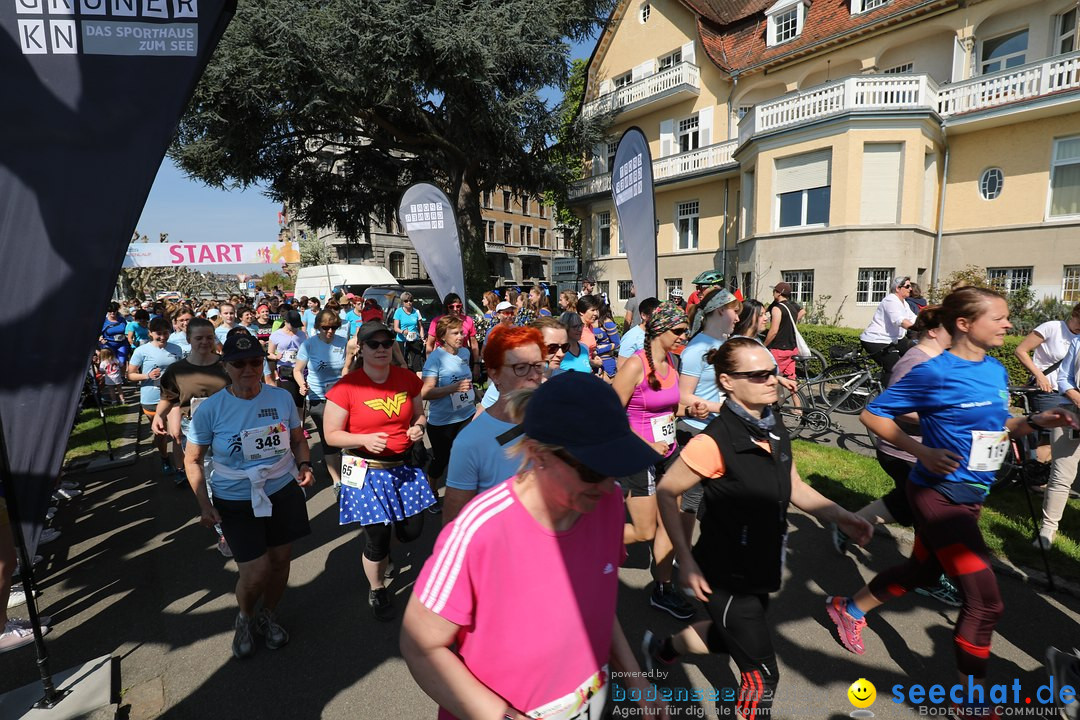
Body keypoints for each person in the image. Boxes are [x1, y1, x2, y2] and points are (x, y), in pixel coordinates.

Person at [826, 288, 1078, 715]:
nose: (1008, 325)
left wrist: (1034, 421)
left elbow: (1000, 424)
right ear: (965, 324)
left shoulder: (995, 371)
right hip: (936, 495)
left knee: (921, 570)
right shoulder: (934, 371)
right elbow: (873, 415)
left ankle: (847, 608)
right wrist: (922, 451)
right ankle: (970, 702)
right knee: (985, 602)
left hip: (972, 494)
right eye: (998, 317)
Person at [401, 372, 669, 720]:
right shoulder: (480, 529)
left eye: (614, 468)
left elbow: (598, 603)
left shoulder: (608, 502)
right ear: (537, 453)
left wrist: (637, 683)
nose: (606, 486)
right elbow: (420, 646)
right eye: (592, 471)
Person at [645, 337, 873, 718]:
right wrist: (684, 558)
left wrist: (843, 516)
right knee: (762, 676)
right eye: (759, 375)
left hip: (761, 564)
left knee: (725, 637)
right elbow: (667, 492)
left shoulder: (773, 422)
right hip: (725, 572)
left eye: (772, 371)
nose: (773, 380)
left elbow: (794, 486)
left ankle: (662, 649)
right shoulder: (713, 441)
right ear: (728, 382)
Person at [184, 332, 315, 660]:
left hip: (282, 490)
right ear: (225, 365)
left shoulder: (281, 398)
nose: (249, 369)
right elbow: (193, 459)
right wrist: (204, 504)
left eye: (255, 361)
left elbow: (298, 438)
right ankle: (245, 616)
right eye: (239, 363)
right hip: (236, 499)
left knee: (281, 560)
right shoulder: (211, 410)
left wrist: (305, 464)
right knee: (255, 571)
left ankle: (269, 614)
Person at [831, 307, 962, 606]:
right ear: (932, 330)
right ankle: (928, 577)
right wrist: (938, 416)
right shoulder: (914, 361)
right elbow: (894, 405)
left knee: (906, 504)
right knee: (928, 514)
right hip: (902, 451)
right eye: (950, 328)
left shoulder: (939, 359)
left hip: (924, 451)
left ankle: (848, 525)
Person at [322, 321, 436, 620]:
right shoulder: (346, 387)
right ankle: (377, 587)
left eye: (388, 343)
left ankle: (384, 552)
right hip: (366, 470)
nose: (382, 348)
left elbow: (420, 414)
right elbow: (331, 435)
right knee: (377, 538)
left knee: (412, 532)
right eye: (374, 344)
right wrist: (362, 439)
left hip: (404, 466)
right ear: (361, 347)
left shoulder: (407, 378)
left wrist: (417, 428)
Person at [612, 302, 706, 621]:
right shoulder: (636, 366)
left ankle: (663, 588)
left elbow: (667, 408)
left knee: (671, 520)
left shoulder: (672, 362)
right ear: (660, 331)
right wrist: (646, 444)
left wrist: (689, 411)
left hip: (667, 452)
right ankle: (582, 540)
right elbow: (610, 414)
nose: (685, 335)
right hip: (639, 454)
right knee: (643, 531)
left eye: (686, 330)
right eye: (679, 331)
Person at [442, 325, 547, 524]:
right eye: (521, 367)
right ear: (494, 374)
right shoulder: (470, 441)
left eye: (538, 365)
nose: (534, 375)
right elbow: (454, 525)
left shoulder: (558, 421)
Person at [154, 317, 232, 551]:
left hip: (229, 429)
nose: (205, 342)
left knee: (233, 478)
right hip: (196, 430)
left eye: (209, 337)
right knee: (208, 480)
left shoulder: (226, 364)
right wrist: (159, 416)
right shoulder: (177, 370)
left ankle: (244, 523)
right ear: (188, 339)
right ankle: (224, 532)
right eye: (199, 338)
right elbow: (168, 398)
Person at [677, 289, 743, 535]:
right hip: (698, 432)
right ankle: (680, 557)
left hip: (722, 429)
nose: (737, 318)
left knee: (719, 500)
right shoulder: (697, 349)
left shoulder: (724, 344)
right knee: (692, 501)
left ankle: (711, 552)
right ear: (719, 311)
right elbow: (683, 396)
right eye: (734, 312)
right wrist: (725, 407)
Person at [1014, 303, 1080, 464]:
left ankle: (1040, 473)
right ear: (1075, 314)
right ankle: (1036, 478)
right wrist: (1039, 375)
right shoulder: (1053, 327)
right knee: (1049, 437)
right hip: (1047, 390)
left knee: (1063, 439)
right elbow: (1021, 350)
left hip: (1068, 394)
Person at [421, 315, 476, 509]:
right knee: (441, 460)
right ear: (443, 336)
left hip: (467, 415)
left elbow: (466, 383)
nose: (461, 336)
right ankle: (431, 491)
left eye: (462, 332)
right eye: (455, 333)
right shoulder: (435, 359)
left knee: (466, 457)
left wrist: (476, 393)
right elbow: (425, 392)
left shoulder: (465, 353)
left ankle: (464, 495)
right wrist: (453, 388)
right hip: (442, 421)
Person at [295, 309, 349, 493]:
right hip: (318, 398)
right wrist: (302, 384)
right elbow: (297, 370)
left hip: (342, 397)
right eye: (326, 327)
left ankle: (345, 469)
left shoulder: (343, 343)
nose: (330, 331)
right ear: (318, 326)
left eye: (334, 327)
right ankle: (337, 480)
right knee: (329, 439)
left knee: (346, 435)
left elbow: (350, 367)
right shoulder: (309, 344)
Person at [129, 318, 184, 475]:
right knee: (161, 434)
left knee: (176, 433)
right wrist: (147, 375)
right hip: (152, 398)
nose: (162, 336)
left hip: (173, 397)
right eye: (158, 333)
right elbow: (130, 375)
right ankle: (164, 457)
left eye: (165, 333)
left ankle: (180, 468)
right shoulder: (141, 351)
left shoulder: (176, 348)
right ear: (150, 333)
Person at [1044, 323, 1080, 548]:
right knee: (1061, 474)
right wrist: (1076, 398)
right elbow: (1063, 378)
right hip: (1072, 411)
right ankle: (1048, 528)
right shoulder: (1078, 342)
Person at [858, 275, 916, 385]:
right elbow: (899, 320)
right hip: (877, 340)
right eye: (908, 286)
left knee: (915, 353)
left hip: (894, 339)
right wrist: (916, 328)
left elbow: (913, 318)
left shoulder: (904, 303)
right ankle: (885, 396)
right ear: (898, 288)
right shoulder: (890, 301)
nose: (911, 289)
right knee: (893, 367)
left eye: (911, 286)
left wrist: (929, 324)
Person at [268, 310, 307, 418]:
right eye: (293, 325)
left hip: (300, 368)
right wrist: (275, 356)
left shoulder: (302, 334)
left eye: (296, 325)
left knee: (300, 400)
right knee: (290, 398)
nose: (295, 328)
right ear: (285, 322)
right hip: (285, 369)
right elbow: (269, 353)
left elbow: (308, 350)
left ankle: (300, 427)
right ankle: (289, 425)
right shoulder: (276, 335)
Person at [764, 282, 806, 380]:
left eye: (774, 291)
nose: (772, 293)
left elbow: (774, 331)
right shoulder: (792, 307)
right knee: (791, 380)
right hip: (792, 349)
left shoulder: (777, 308)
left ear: (778, 293)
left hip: (779, 349)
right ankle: (796, 396)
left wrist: (763, 346)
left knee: (769, 379)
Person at [424, 294, 479, 366]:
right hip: (442, 359)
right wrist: (430, 364)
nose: (455, 309)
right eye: (451, 307)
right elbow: (429, 344)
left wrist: (476, 364)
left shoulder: (468, 320)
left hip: (463, 359)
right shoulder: (437, 321)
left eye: (458, 306)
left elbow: (474, 344)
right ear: (447, 307)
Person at [617, 297, 660, 370]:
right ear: (643, 315)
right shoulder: (632, 337)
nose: (660, 318)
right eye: (656, 315)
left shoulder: (659, 334)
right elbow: (621, 366)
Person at [392, 291, 426, 372]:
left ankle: (418, 382)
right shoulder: (398, 312)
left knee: (417, 364)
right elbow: (395, 328)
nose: (409, 303)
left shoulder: (416, 312)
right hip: (402, 340)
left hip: (414, 339)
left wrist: (422, 338)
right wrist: (403, 332)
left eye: (411, 300)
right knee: (402, 363)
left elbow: (420, 327)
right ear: (402, 302)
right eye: (406, 301)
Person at [100, 302, 132, 373]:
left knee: (122, 361)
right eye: (110, 311)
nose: (112, 313)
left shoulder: (122, 320)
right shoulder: (103, 321)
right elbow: (98, 333)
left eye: (114, 311)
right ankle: (110, 379)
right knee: (109, 362)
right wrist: (101, 339)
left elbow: (127, 330)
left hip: (122, 343)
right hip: (109, 344)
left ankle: (122, 377)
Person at [593, 302, 622, 378]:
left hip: (606, 361)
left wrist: (599, 350)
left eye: (595, 308)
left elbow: (617, 343)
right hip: (591, 361)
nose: (594, 312)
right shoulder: (590, 321)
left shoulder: (608, 323)